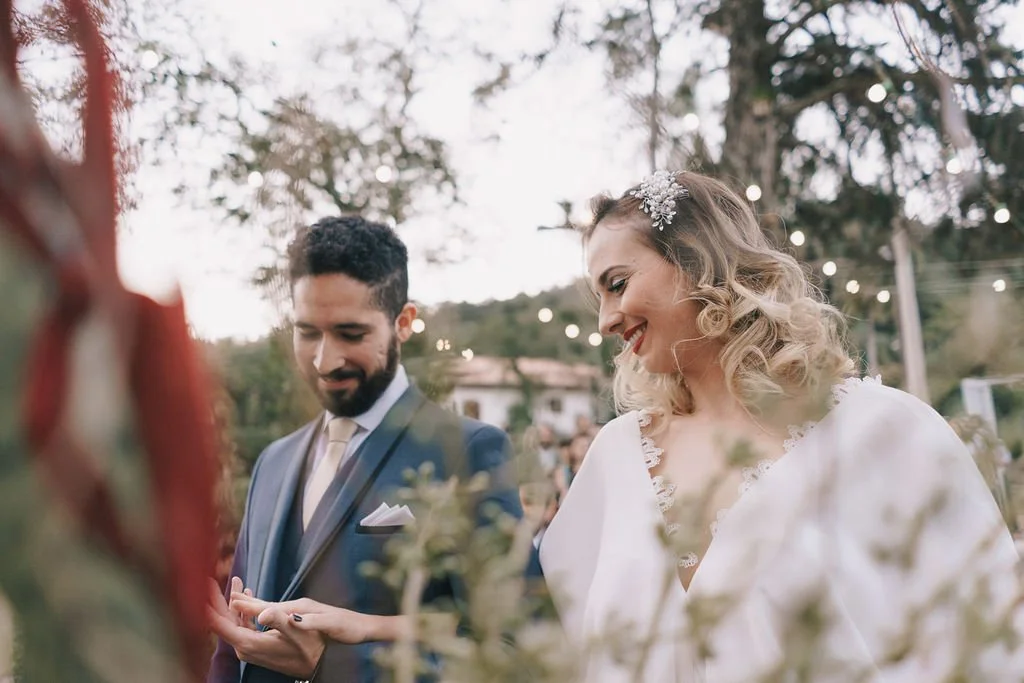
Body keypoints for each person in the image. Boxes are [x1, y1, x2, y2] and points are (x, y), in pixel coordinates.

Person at [538, 170, 1024, 681]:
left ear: (695, 260)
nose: (606, 321)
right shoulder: (614, 459)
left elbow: (986, 639)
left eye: (618, 285)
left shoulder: (880, 429)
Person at [207, 216, 523, 683]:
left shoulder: (468, 451)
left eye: (350, 334)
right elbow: (233, 652)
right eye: (308, 332)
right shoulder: (273, 462)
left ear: (404, 322)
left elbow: (513, 653)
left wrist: (331, 667)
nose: (324, 360)